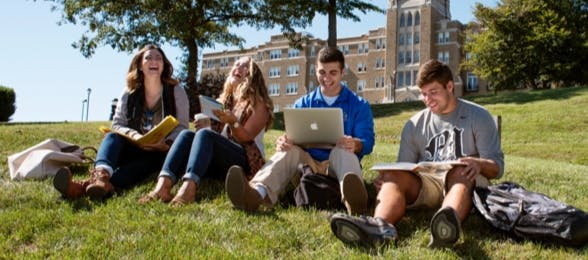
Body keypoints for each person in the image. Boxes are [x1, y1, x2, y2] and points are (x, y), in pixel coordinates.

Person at [330, 59, 504, 248]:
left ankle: (445, 227)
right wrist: (389, 182)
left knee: (460, 171)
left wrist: (479, 163)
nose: (428, 100)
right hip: (429, 183)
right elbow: (404, 167)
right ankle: (379, 228)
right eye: (423, 94)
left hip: (464, 181)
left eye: (434, 92)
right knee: (393, 175)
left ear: (450, 86)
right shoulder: (414, 124)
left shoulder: (479, 116)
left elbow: (497, 168)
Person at [225, 46, 375, 215]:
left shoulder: (359, 105)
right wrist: (284, 141)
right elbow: (293, 136)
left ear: (342, 72)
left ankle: (355, 203)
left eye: (333, 73)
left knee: (344, 151)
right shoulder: (302, 104)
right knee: (289, 151)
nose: (326, 78)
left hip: (337, 168)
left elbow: (368, 142)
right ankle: (255, 194)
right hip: (307, 166)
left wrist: (355, 143)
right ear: (316, 71)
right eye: (321, 72)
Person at [53, 44, 190, 200]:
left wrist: (167, 143)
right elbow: (117, 124)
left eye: (159, 58)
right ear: (140, 65)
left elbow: (182, 127)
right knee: (112, 137)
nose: (154, 61)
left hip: (161, 151)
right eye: (148, 58)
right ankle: (101, 178)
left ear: (164, 65)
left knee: (144, 164)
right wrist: (135, 137)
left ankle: (82, 188)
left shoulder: (176, 90)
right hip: (133, 147)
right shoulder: (129, 92)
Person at [139, 56, 274, 206]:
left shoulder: (259, 104)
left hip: (245, 163)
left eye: (244, 66)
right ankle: (162, 186)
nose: (238, 68)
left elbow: (246, 139)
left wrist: (233, 122)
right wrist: (205, 126)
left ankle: (188, 189)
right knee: (187, 134)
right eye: (236, 65)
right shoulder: (224, 101)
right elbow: (213, 136)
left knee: (205, 135)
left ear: (252, 75)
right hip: (220, 160)